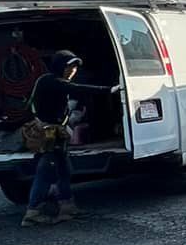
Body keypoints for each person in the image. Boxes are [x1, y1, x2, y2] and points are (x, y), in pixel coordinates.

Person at [21, 52, 118, 226]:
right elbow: (78, 89)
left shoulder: (50, 81)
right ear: (60, 67)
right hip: (48, 133)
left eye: (74, 67)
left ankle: (67, 207)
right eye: (69, 67)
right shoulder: (51, 82)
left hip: (56, 133)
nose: (72, 71)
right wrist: (108, 90)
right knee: (46, 170)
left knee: (64, 169)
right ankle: (32, 212)